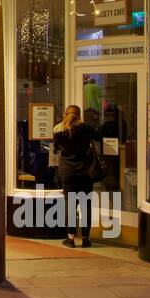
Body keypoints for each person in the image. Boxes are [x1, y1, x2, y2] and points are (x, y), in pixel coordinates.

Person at [52, 104, 99, 247]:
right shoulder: (85, 128)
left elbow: (55, 149)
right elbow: (98, 136)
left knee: (70, 205)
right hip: (85, 172)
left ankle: (70, 239)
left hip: (68, 173)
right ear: (79, 116)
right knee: (85, 205)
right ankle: (85, 238)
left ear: (65, 114)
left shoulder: (58, 130)